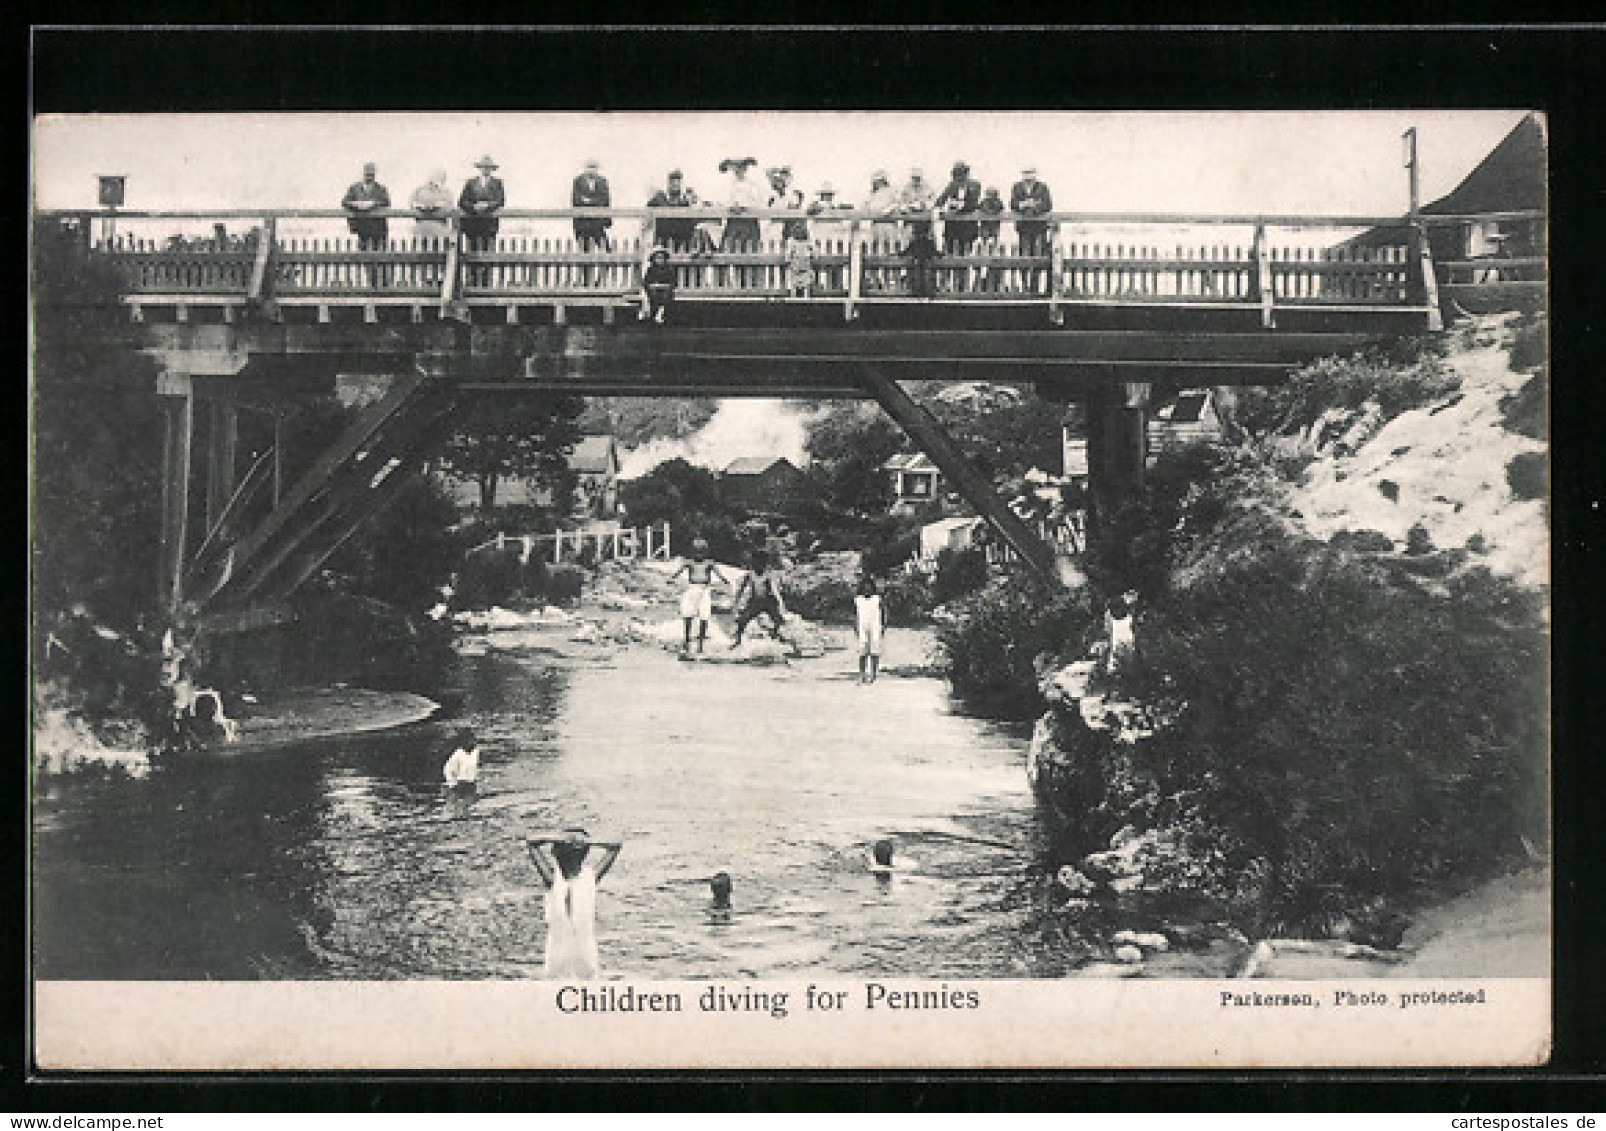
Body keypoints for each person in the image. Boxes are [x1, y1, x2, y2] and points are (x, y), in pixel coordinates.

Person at [526, 829, 622, 980]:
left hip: (560, 953)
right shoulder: (590, 879)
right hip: (582, 953)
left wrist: (559, 838)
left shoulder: (552, 879)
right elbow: (615, 846)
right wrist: (584, 841)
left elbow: (532, 842)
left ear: (557, 854)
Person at [670, 537, 732, 655]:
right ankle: (687, 640)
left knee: (704, 617)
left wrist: (725, 581)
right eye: (696, 551)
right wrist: (671, 578)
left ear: (705, 552)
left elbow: (719, 574)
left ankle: (700, 645)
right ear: (692, 552)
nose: (699, 554)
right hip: (692, 589)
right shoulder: (689, 562)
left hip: (705, 590)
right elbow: (678, 572)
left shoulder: (709, 562)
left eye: (701, 551)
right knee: (687, 615)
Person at [342, 162, 391, 286]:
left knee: (380, 257)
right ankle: (370, 284)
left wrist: (373, 203)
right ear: (363, 174)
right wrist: (356, 204)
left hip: (378, 229)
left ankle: (382, 285)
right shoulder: (354, 189)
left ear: (375, 175)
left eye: (371, 175)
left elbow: (386, 202)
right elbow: (345, 201)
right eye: (367, 174)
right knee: (366, 258)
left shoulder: (381, 189)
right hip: (362, 229)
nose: (369, 177)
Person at [719, 157, 764, 287]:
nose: (739, 170)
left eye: (742, 167)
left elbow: (758, 202)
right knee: (731, 251)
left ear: (745, 169)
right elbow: (723, 201)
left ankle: (750, 284)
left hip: (749, 222)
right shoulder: (729, 185)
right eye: (736, 168)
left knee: (750, 251)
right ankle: (730, 284)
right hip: (733, 222)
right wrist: (731, 206)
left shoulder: (752, 185)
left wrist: (745, 207)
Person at [1010, 166, 1054, 292]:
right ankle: (1024, 286)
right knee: (1024, 256)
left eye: (1030, 173)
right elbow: (1013, 203)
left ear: (1035, 174)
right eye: (1025, 173)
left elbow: (1048, 204)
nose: (1028, 176)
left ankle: (1035, 287)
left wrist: (1035, 207)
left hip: (1039, 228)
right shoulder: (1017, 187)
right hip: (1023, 228)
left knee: (1038, 256)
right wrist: (1022, 205)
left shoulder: (1042, 187)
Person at [730, 550, 787, 647]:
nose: (759, 565)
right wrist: (735, 603)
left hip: (768, 601)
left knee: (778, 620)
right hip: (755, 602)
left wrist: (780, 602)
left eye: (762, 563)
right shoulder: (750, 574)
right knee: (742, 620)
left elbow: (774, 589)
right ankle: (738, 641)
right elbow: (741, 590)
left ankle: (776, 634)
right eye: (757, 562)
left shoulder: (767, 574)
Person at [898, 168, 939, 297]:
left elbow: (933, 202)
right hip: (911, 226)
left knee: (928, 259)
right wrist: (909, 206)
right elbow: (902, 204)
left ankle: (931, 285)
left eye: (918, 178)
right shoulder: (906, 189)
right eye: (914, 178)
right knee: (911, 255)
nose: (916, 181)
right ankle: (909, 283)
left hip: (925, 226)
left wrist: (923, 205)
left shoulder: (928, 188)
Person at [936, 160, 982, 263]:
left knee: (965, 252)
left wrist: (962, 205)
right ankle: (950, 277)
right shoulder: (952, 185)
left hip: (968, 224)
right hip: (953, 225)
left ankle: (963, 277)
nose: (960, 177)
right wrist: (943, 208)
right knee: (950, 251)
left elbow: (973, 203)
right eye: (957, 174)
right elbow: (940, 200)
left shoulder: (974, 185)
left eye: (962, 173)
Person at [458, 154, 506, 250]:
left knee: (488, 251)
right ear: (480, 168)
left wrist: (487, 206)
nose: (486, 169)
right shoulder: (471, 182)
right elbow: (462, 201)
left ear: (492, 169)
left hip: (489, 223)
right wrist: (473, 206)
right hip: (472, 221)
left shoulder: (497, 183)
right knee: (471, 251)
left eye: (488, 167)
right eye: (484, 167)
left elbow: (501, 200)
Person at [647, 169, 700, 251]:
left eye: (677, 183)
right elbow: (648, 209)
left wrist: (691, 203)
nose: (675, 185)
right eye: (672, 182)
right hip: (664, 238)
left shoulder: (685, 200)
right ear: (669, 184)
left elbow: (694, 217)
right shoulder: (660, 198)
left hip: (682, 239)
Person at [571, 158, 612, 250]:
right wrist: (594, 201)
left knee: (605, 248)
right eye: (589, 167)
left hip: (598, 222)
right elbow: (576, 200)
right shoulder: (578, 181)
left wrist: (588, 201)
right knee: (584, 250)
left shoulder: (602, 181)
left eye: (594, 168)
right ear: (585, 169)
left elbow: (605, 200)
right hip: (582, 222)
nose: (591, 170)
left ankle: (607, 264)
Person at [854, 574, 886, 684]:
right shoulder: (858, 600)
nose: (867, 590)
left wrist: (883, 626)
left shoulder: (877, 599)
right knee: (862, 650)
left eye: (869, 588)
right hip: (862, 625)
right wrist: (856, 627)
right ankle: (862, 674)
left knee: (874, 650)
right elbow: (855, 615)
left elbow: (883, 613)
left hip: (875, 625)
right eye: (865, 588)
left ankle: (873, 674)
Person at [409, 169, 455, 242]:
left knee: (440, 249)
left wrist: (439, 206)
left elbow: (450, 206)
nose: (433, 186)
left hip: (440, 228)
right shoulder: (419, 190)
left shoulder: (446, 193)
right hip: (422, 227)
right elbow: (412, 203)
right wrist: (421, 206)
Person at [977, 186, 1006, 291]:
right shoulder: (984, 202)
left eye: (991, 194)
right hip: (986, 226)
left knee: (994, 242)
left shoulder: (998, 202)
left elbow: (1000, 209)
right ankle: (987, 253)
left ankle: (993, 253)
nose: (989, 197)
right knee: (985, 242)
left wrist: (991, 213)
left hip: (993, 226)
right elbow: (981, 209)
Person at [639, 247, 677, 323]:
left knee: (666, 295)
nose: (660, 260)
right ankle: (654, 312)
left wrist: (666, 286)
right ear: (653, 259)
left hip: (665, 290)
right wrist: (652, 285)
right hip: (653, 290)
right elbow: (645, 282)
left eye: (662, 258)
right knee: (653, 295)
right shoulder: (651, 270)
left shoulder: (668, 270)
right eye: (658, 258)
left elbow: (673, 282)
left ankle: (661, 311)